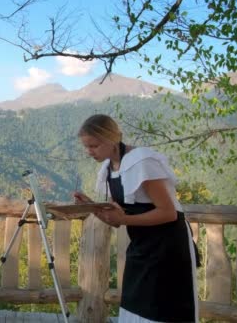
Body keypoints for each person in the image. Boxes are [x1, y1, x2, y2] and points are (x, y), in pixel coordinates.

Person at [73, 114, 199, 323]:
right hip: (141, 246)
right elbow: (116, 219)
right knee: (135, 305)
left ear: (111, 139)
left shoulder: (141, 161)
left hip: (168, 247)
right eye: (86, 147)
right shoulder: (109, 168)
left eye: (93, 146)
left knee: (163, 310)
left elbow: (168, 213)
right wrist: (92, 207)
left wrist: (124, 220)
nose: (89, 152)